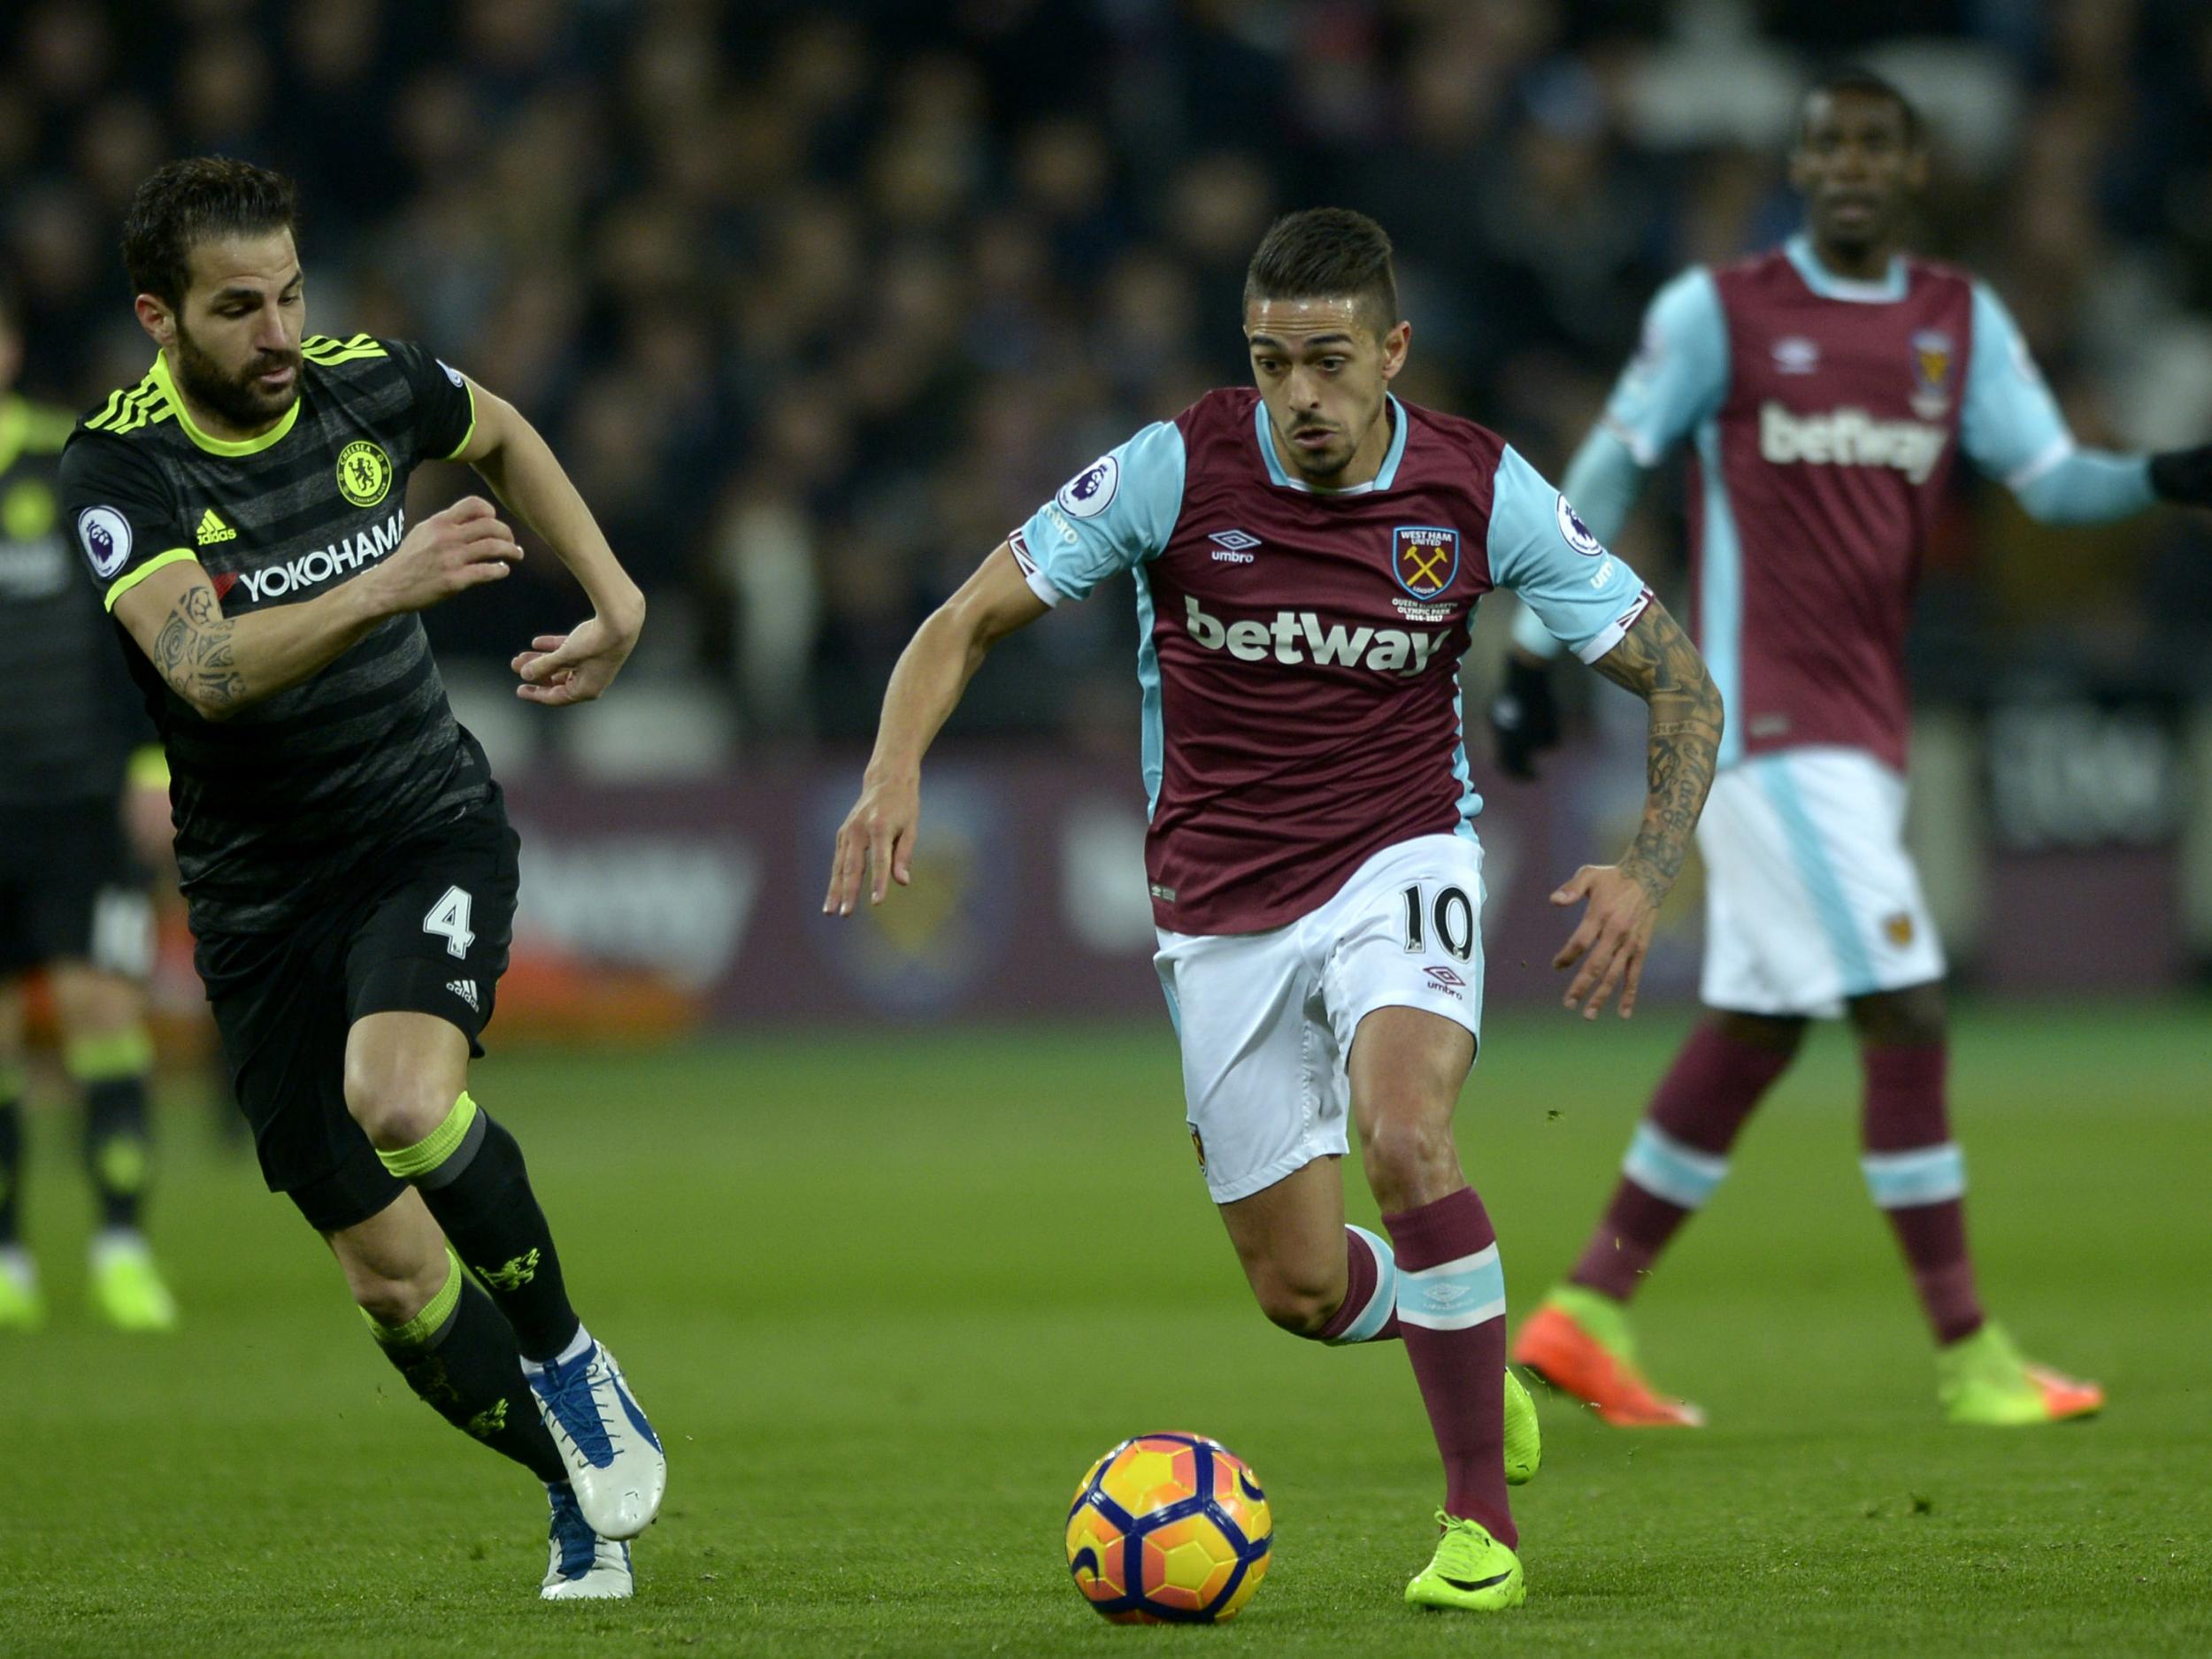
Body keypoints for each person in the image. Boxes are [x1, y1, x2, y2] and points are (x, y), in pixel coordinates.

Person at [826, 207, 1724, 1614]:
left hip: (1403, 856)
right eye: (1270, 361)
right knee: (1300, 1288)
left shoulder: (1479, 490)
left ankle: (1476, 1521)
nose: (1299, 395)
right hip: (1220, 905)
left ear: (1392, 353)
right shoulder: (1174, 467)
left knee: (1408, 1132)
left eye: (1327, 360)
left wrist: (1647, 864)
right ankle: (1465, 1334)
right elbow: (962, 622)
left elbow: (1683, 682)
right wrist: (893, 769)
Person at [1497, 71, 2212, 1428]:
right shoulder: (1720, 313)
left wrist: (2168, 477)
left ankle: (1586, 1311)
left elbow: (2052, 481)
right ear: (1800, 165)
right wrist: (1540, 642)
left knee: (1762, 1027)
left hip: (1861, 727)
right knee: (1909, 1003)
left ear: (1914, 168)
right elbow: (1606, 465)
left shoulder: (1957, 322)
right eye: (1824, 144)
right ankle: (1969, 1352)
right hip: (1758, 721)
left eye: (1872, 144)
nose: (1847, 166)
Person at [58, 158, 664, 1600]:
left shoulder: (366, 384)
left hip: (418, 827)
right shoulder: (119, 468)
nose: (277, 333)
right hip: (257, 904)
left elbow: (501, 429)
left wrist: (617, 597)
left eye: (290, 296)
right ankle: (574, 1487)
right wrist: (389, 576)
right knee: (392, 1283)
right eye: (236, 309)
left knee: (399, 1097)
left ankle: (573, 1360)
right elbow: (203, 669)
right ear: (161, 317)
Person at [0, 280, 179, 1333]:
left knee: (102, 1014)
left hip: (75, 797)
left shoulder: (66, 464)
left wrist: (153, 767)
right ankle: (10, 1261)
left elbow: (133, 621)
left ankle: (121, 1246)